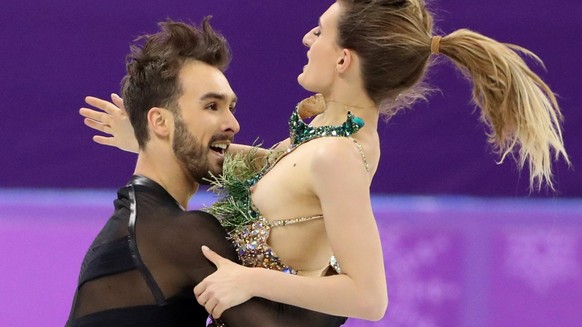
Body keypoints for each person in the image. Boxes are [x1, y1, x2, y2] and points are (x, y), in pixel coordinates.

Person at [80, 0, 570, 323]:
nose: (306, 39)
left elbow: (369, 299)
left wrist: (247, 279)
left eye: (319, 31)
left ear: (343, 61)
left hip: (270, 318)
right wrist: (149, 136)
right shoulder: (322, 131)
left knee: (175, 238)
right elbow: (258, 166)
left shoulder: (338, 154)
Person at [67, 19, 347, 327]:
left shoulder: (140, 222)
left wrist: (147, 141)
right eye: (212, 106)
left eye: (231, 108)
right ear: (160, 122)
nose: (233, 124)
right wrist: (341, 260)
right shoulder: (179, 235)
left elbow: (252, 161)